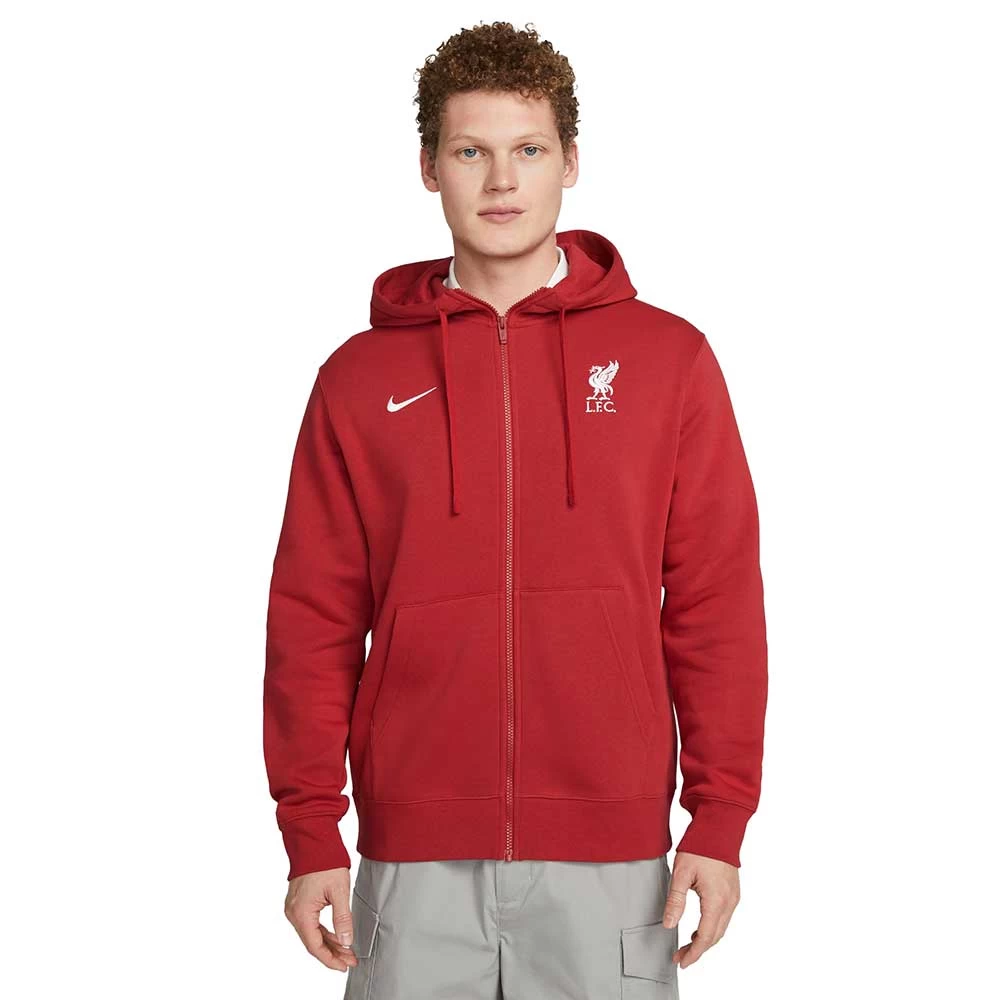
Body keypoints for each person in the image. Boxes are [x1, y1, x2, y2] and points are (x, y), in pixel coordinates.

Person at [263, 20, 767, 999]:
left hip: (613, 854)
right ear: (429, 167)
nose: (502, 180)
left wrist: (719, 818)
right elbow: (312, 614)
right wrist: (310, 826)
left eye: (528, 150)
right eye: (471, 152)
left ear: (570, 162)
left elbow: (716, 602)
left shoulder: (669, 362)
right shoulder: (357, 379)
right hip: (412, 856)